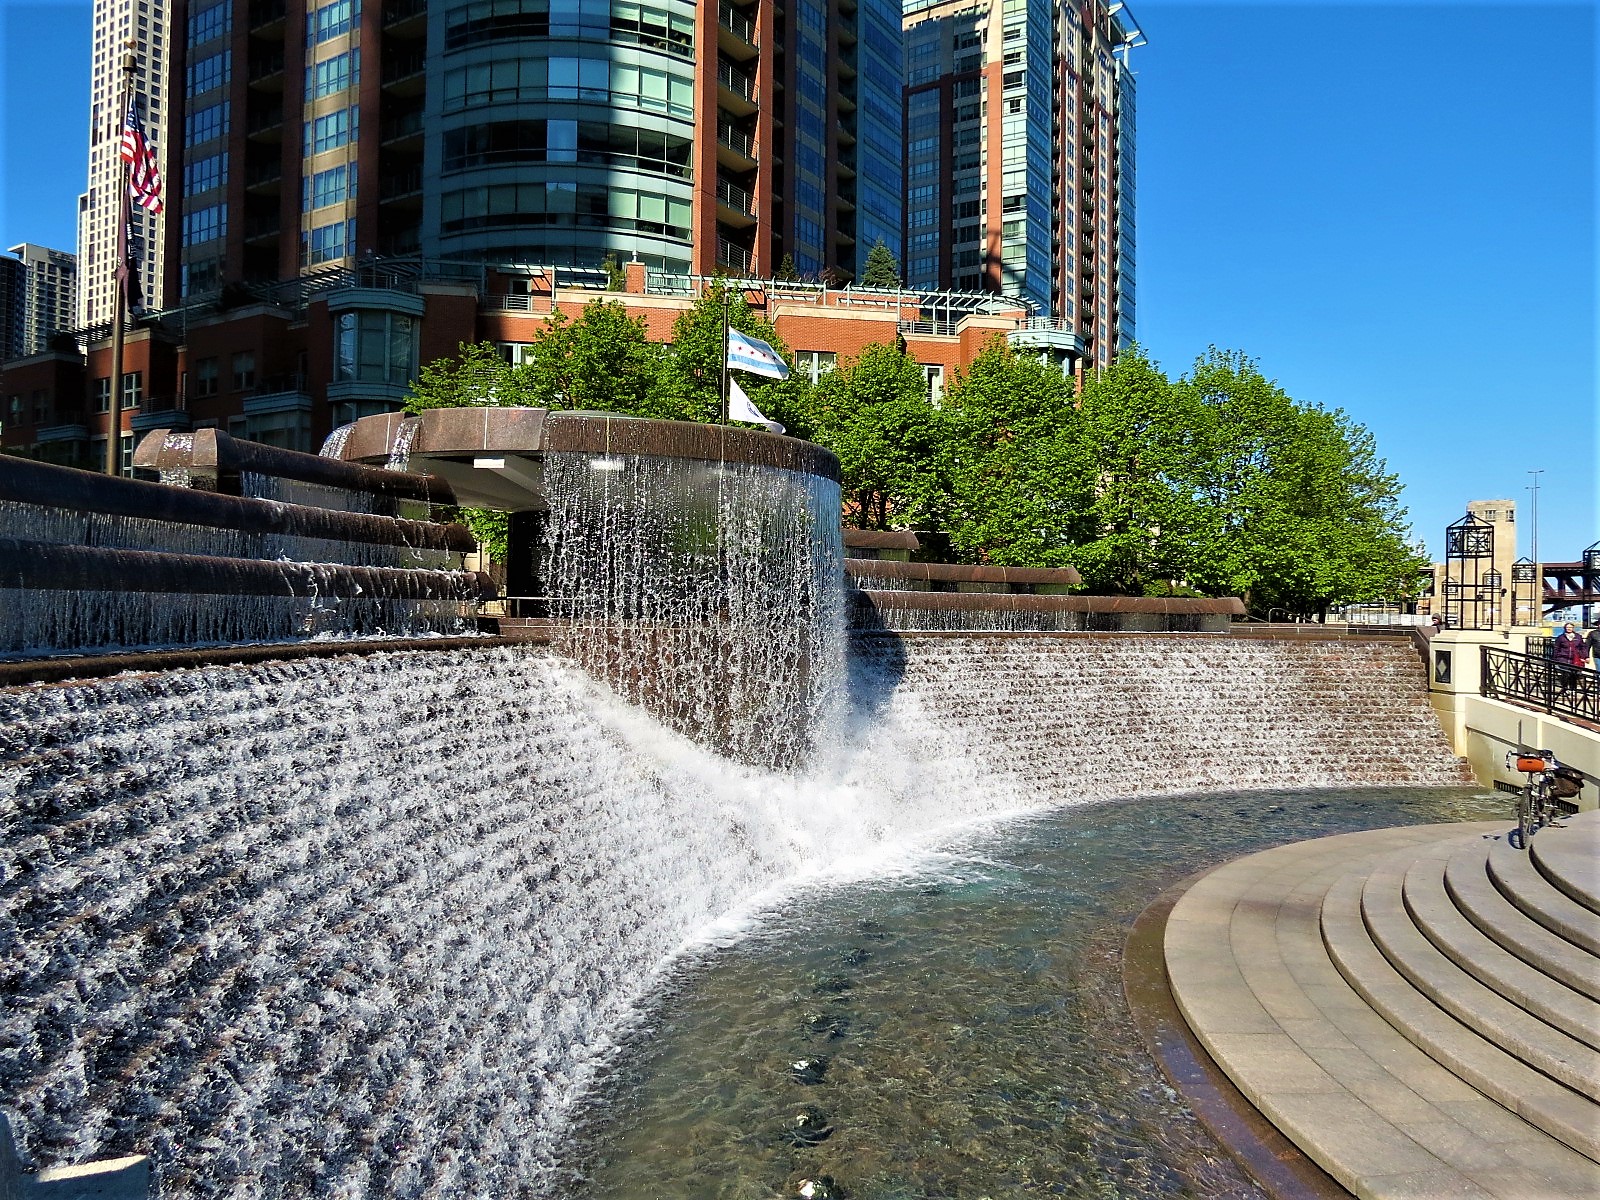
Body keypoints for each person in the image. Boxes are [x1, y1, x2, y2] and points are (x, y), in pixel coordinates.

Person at [1552, 622, 1586, 688]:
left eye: (1570, 627)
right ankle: (1565, 688)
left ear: (1573, 628)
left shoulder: (1578, 637)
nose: (1569, 629)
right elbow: (1556, 648)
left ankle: (1573, 689)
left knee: (1574, 674)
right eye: (1567, 627)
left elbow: (1582, 647)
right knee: (1565, 674)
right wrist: (1555, 658)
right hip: (1563, 658)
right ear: (1565, 628)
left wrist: (1585, 656)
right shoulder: (1561, 637)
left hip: (1575, 659)